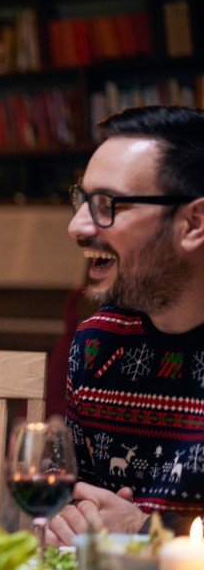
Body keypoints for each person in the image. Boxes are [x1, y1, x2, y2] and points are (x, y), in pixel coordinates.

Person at [47, 106, 204, 546]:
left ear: (194, 222)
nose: (77, 227)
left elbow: (129, 526)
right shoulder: (98, 343)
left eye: (107, 205)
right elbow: (78, 499)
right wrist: (70, 520)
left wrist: (146, 531)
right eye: (83, 201)